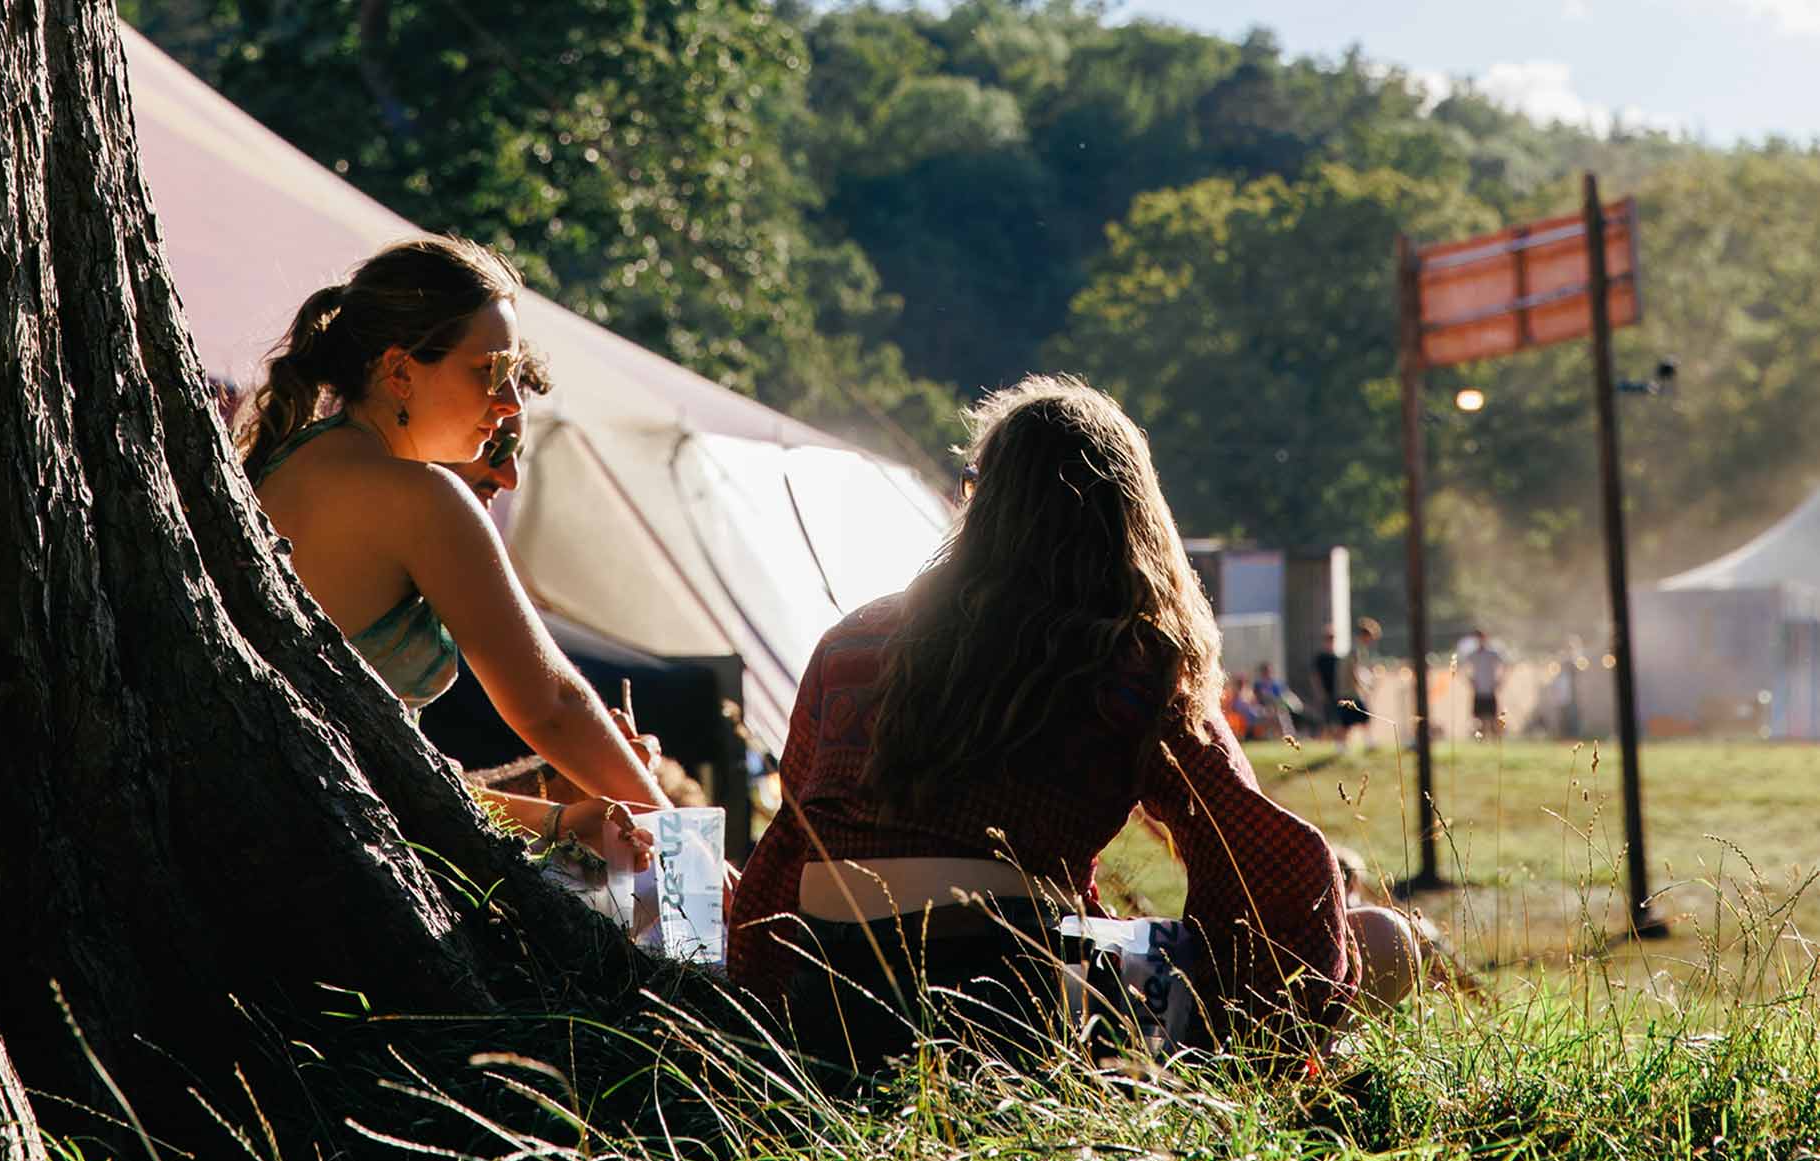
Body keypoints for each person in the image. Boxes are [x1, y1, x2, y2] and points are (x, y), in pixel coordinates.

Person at [727, 377, 1414, 1066]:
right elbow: (1262, 855)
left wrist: (754, 1002)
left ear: (982, 499)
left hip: (829, 1009)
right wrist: (1253, 1000)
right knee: (1382, 939)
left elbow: (796, 832)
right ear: (1127, 514)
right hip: (1016, 1018)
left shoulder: (851, 641)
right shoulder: (1130, 658)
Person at [239, 235, 665, 871]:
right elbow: (555, 707)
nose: (510, 402)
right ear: (402, 370)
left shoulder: (286, 464)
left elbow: (375, 770)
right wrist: (684, 843)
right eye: (489, 371)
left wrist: (559, 815)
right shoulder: (423, 498)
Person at [1462, 628, 1508, 739]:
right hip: (1478, 690)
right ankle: (1481, 738)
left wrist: (1500, 681)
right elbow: (1462, 666)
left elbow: (1506, 664)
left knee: (1492, 716)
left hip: (1490, 689)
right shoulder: (1472, 654)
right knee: (1479, 717)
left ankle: (1494, 737)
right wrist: (1470, 680)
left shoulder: (1492, 654)